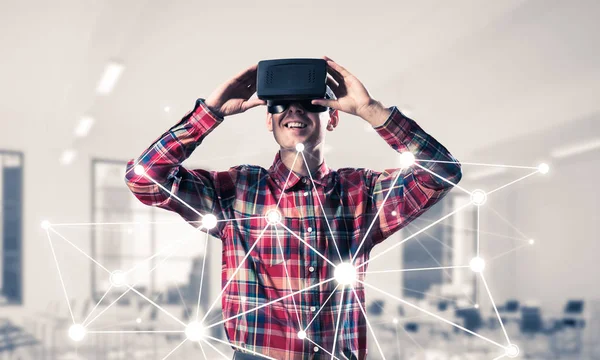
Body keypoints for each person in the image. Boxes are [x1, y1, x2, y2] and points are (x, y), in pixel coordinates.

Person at [124, 56, 462, 360]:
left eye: (309, 103)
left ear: (332, 119)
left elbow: (441, 173)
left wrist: (372, 110)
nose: (294, 111)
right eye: (280, 104)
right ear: (268, 121)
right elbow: (144, 178)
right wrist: (207, 114)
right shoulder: (236, 191)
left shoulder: (362, 193)